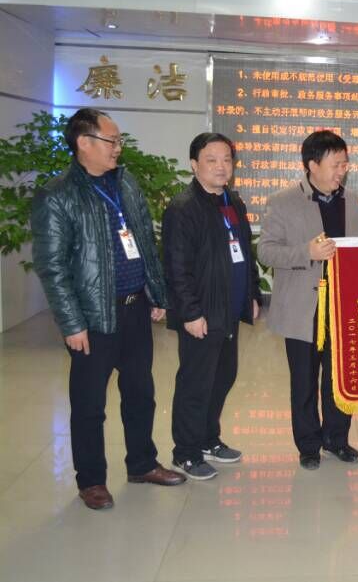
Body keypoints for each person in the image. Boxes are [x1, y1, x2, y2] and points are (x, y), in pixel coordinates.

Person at [31, 108, 185, 510]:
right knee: (89, 405)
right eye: (111, 140)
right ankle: (92, 481)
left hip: (135, 309)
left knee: (140, 394)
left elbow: (143, 240)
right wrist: (72, 323)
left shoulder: (125, 182)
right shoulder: (57, 195)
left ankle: (142, 463)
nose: (118, 148)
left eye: (119, 141)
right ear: (84, 142)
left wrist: (155, 293)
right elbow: (52, 267)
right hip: (93, 317)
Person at [258, 130, 358, 470]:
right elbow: (266, 251)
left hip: (343, 307)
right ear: (312, 165)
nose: (342, 171)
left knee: (340, 380)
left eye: (345, 164)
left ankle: (337, 440)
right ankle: (308, 445)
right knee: (304, 381)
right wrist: (306, 252)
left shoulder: (351, 201)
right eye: (336, 164)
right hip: (302, 308)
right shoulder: (282, 201)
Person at [162, 133, 262, 480]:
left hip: (228, 310)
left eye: (227, 160)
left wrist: (252, 294)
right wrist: (190, 312)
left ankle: (207, 439)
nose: (221, 167)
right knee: (196, 384)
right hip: (201, 314)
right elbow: (176, 267)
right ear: (194, 165)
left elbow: (245, 251)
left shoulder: (233, 201)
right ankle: (185, 453)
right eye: (211, 160)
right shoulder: (183, 207)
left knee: (222, 377)